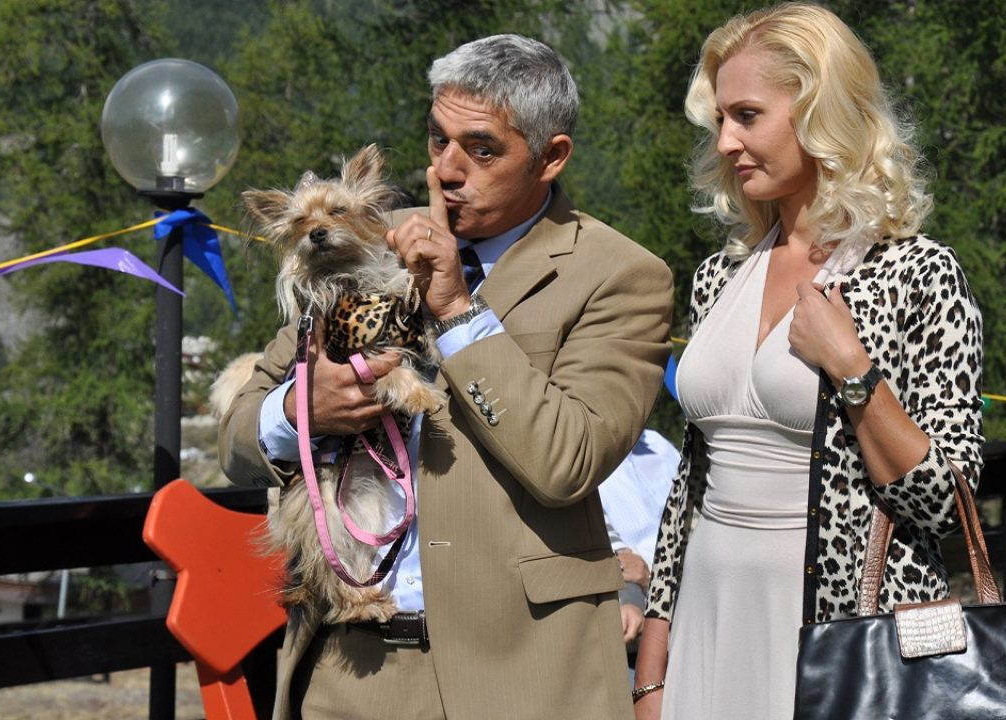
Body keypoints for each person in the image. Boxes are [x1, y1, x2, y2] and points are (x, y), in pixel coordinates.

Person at [218, 34, 674, 720]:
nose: (447, 169)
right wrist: (299, 411)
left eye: (482, 149)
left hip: (521, 678)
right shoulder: (364, 236)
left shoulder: (619, 275)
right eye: (438, 140)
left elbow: (568, 462)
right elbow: (236, 439)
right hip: (352, 669)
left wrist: (459, 309)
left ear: (551, 156)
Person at [632, 4, 984, 719]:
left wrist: (852, 368)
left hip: (842, 632)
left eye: (747, 116)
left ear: (821, 113)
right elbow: (691, 487)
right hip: (708, 617)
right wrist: (653, 662)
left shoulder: (917, 274)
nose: (726, 142)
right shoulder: (718, 278)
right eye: (721, 120)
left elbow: (944, 504)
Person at [598, 428, 680, 647]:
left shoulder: (657, 443)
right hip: (636, 603)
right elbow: (625, 564)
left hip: (691, 590)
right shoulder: (585, 455)